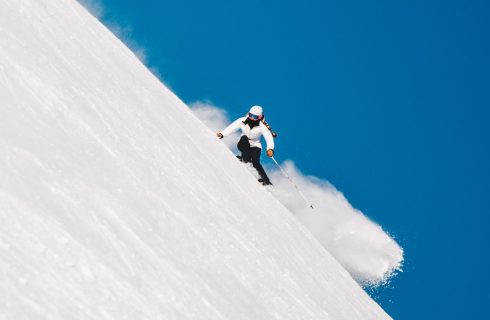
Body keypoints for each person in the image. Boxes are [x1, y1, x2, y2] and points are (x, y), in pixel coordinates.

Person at [217, 105, 275, 185]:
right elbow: (232, 127)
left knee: (256, 162)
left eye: (254, 117)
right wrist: (222, 134)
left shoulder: (262, 127)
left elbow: (269, 138)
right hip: (243, 141)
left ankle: (266, 181)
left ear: (259, 117)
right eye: (250, 115)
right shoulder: (242, 120)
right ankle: (244, 158)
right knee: (246, 149)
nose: (251, 118)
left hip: (255, 145)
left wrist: (270, 149)